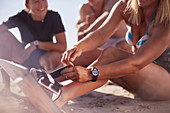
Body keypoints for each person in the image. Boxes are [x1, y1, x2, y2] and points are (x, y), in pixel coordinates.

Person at [52, 0, 169, 108]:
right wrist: (78, 47)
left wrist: (90, 74)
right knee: (90, 54)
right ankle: (49, 79)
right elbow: (102, 34)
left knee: (112, 54)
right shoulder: (126, 6)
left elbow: (136, 64)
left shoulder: (166, 23)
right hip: (140, 84)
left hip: (164, 87)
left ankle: (62, 96)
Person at [0, 0, 66, 95]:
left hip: (44, 60)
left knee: (55, 56)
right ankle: (6, 87)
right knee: (3, 36)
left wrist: (35, 44)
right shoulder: (22, 16)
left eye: (43, 0)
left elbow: (62, 46)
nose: (41, 5)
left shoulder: (53, 16)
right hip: (24, 57)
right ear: (27, 4)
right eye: (36, 2)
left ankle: (50, 86)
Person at [74, 0, 131, 67]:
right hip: (99, 43)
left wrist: (89, 29)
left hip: (119, 40)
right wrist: (86, 24)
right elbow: (80, 29)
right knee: (81, 29)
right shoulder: (84, 8)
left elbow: (108, 15)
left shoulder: (112, 2)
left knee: (125, 47)